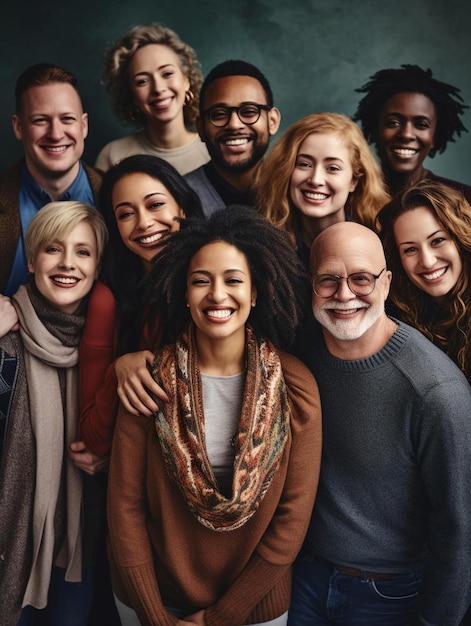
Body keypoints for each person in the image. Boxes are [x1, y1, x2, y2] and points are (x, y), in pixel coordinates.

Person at [106, 206, 322, 626]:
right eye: (201, 281)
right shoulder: (149, 383)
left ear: (255, 292)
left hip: (255, 605)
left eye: (233, 280)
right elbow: (125, 508)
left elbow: (292, 519)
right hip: (153, 600)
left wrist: (220, 617)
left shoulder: (296, 387)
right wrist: (154, 616)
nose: (217, 295)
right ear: (183, 293)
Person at [289, 221, 471, 625]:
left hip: (390, 593)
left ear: (386, 283)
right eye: (328, 280)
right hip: (305, 577)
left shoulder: (435, 391)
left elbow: (459, 529)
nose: (344, 294)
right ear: (311, 284)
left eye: (361, 279)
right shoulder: (300, 350)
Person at [0, 201, 108, 626]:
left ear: (98, 267)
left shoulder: (111, 348)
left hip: (79, 557)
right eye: (52, 249)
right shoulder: (5, 343)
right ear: (30, 259)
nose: (68, 263)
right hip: (10, 554)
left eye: (83, 251)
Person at [79, 154, 204, 457]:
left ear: (182, 208)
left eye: (155, 204)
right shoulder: (107, 297)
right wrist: (119, 369)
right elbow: (92, 438)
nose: (145, 223)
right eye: (126, 214)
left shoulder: (217, 282)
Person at [0, 63, 102, 299]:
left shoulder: (116, 197)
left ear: (83, 125)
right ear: (18, 127)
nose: (55, 134)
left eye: (67, 119)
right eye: (40, 120)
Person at [254, 112, 390, 264]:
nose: (316, 180)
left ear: (354, 181)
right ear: (286, 171)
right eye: (304, 164)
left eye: (333, 168)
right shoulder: (264, 249)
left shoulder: (381, 245)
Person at [378, 179, 471, 383]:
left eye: (437, 240)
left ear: (461, 238)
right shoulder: (397, 322)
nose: (428, 262)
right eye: (410, 249)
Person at [95, 23, 209, 175]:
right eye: (142, 81)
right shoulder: (113, 156)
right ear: (131, 95)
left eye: (167, 73)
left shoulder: (214, 149)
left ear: (186, 80)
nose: (158, 88)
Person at [353, 64, 471, 201]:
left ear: (435, 137)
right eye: (393, 123)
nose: (406, 134)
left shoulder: (464, 200)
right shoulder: (348, 198)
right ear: (375, 129)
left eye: (421, 125)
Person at [185, 59, 281, 216]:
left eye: (249, 111)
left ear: (272, 121)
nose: (234, 124)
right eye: (219, 114)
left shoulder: (296, 190)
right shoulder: (178, 197)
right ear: (201, 127)